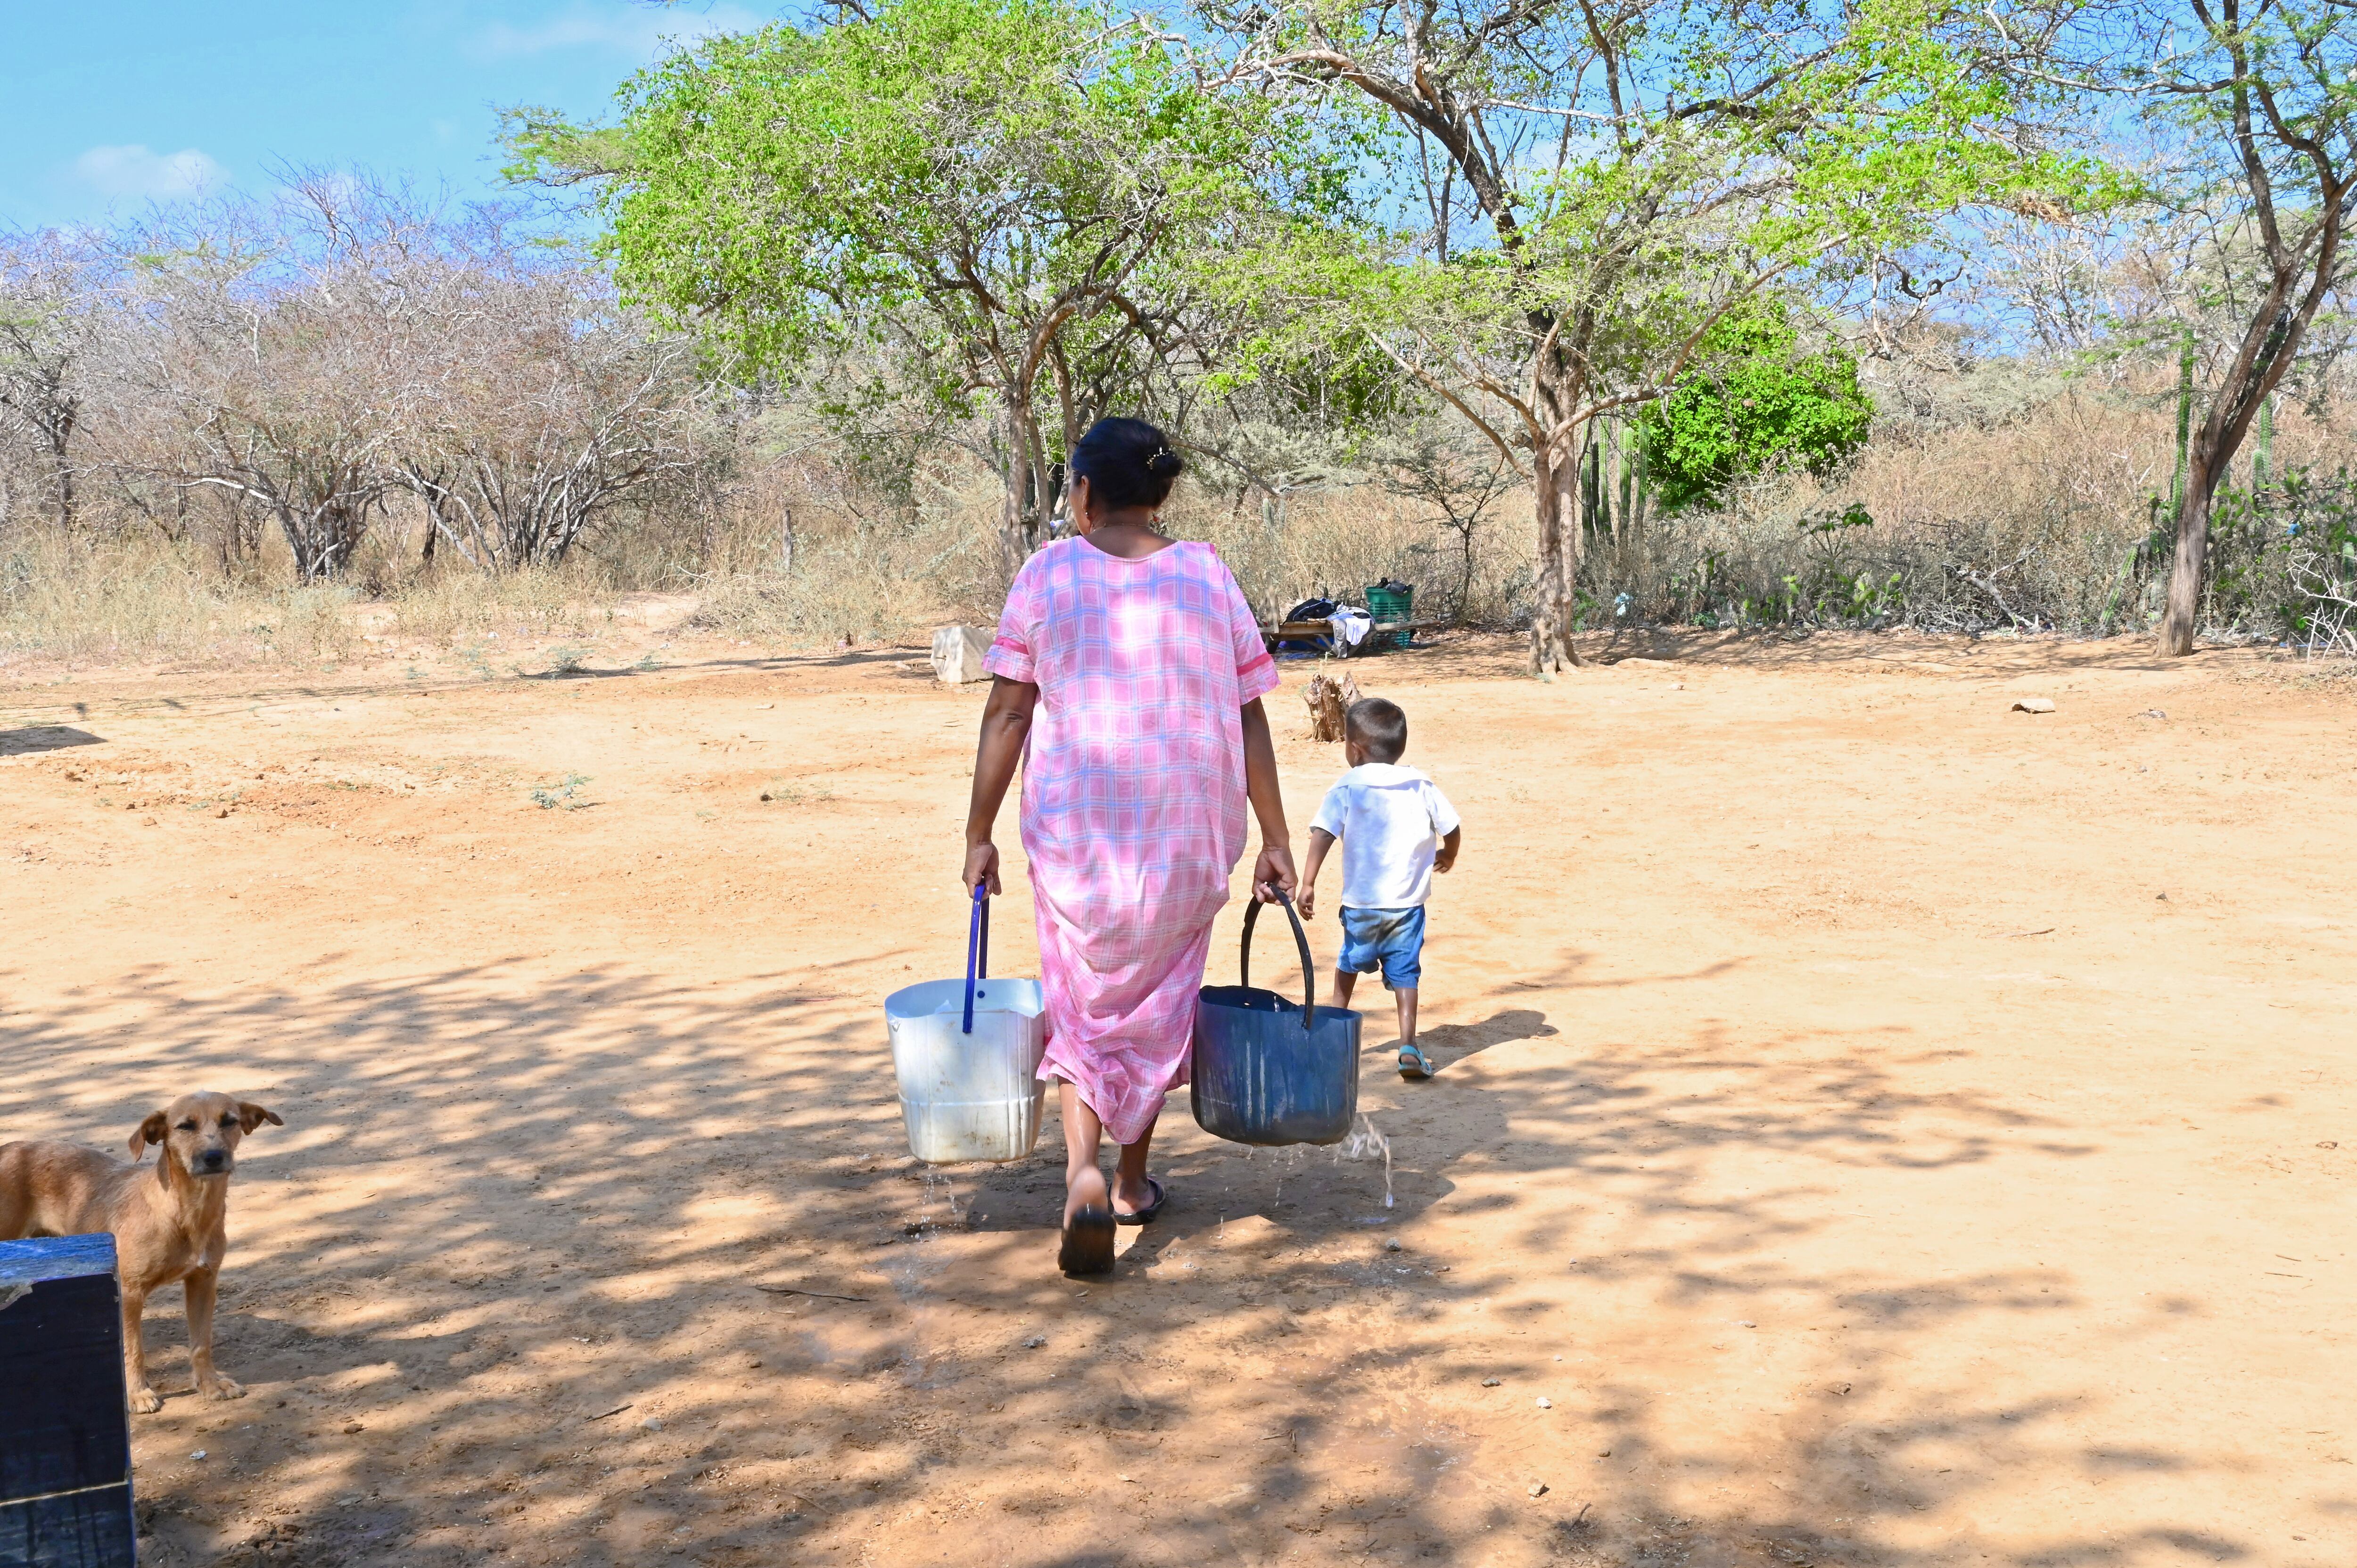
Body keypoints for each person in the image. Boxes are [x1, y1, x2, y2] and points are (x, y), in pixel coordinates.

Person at [962, 417, 1296, 1278]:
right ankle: (1134, 1183)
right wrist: (1276, 837)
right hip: (1186, 841)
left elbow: (1008, 712)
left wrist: (978, 834)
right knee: (1156, 1006)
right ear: (1162, 495)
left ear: (1082, 492)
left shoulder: (1046, 574)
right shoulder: (1207, 574)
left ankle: (1081, 1171)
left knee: (1085, 1004)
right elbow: (1249, 712)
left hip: (1080, 843)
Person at [1296, 697, 1462, 1079]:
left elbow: (1323, 833)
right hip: (1407, 907)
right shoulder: (1420, 784)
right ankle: (1408, 1045)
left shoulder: (1347, 787)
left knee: (1348, 964)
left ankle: (1334, 1036)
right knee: (1406, 974)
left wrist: (1308, 882)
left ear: (1354, 750)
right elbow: (1452, 827)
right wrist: (1449, 855)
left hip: (1362, 905)